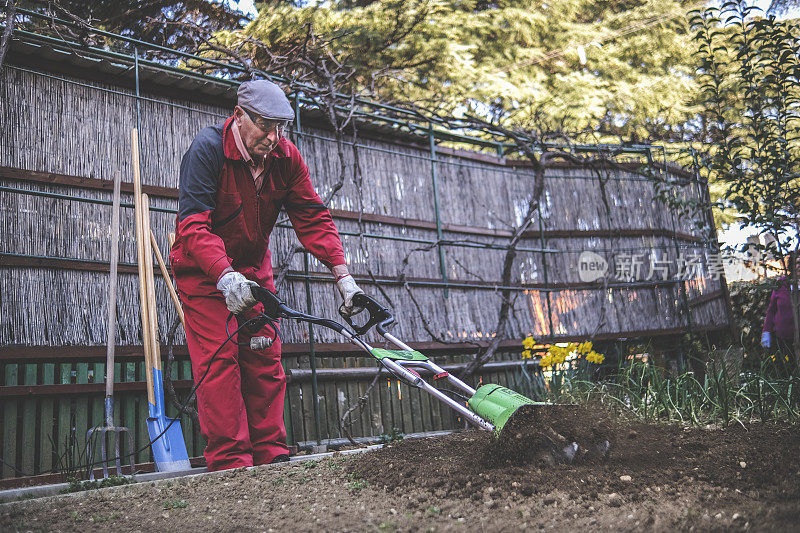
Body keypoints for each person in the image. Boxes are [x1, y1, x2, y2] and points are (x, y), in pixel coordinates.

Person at [169, 79, 363, 471]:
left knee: (264, 360)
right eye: (265, 126)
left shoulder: (286, 158)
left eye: (281, 127)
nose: (274, 137)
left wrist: (343, 276)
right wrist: (224, 277)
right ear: (239, 116)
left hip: (255, 269)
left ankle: (273, 460)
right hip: (205, 275)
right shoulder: (208, 150)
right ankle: (231, 466)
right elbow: (192, 226)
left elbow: (312, 215)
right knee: (221, 362)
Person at [761, 256, 799, 375]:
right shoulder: (781, 284)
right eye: (797, 262)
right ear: (792, 265)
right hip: (783, 339)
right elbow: (772, 309)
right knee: (785, 372)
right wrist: (766, 331)